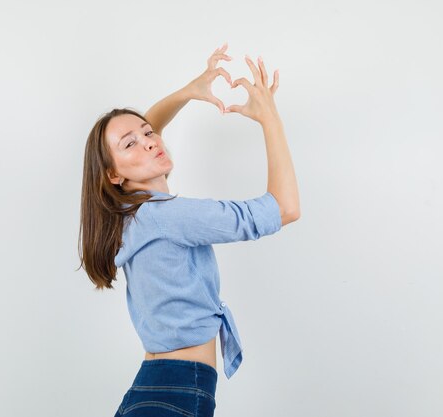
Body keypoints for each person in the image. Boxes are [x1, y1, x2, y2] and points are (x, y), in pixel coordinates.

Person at [78, 43, 300, 417]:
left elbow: (142, 131)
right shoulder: (169, 216)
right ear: (113, 175)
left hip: (149, 387)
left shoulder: (127, 215)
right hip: (179, 392)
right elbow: (285, 208)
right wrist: (270, 118)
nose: (149, 141)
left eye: (149, 133)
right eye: (131, 143)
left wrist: (190, 91)